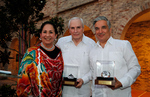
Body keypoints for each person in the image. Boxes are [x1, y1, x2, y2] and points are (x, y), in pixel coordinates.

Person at [89, 16, 141, 97]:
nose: (100, 31)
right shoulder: (92, 51)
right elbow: (93, 74)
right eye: (97, 29)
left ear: (110, 29)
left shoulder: (123, 45)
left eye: (103, 27)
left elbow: (135, 68)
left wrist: (121, 82)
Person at [16, 21, 64, 97]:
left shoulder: (60, 53)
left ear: (55, 36)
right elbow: (22, 79)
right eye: (45, 32)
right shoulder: (31, 53)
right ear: (40, 35)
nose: (47, 35)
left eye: (51, 32)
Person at [56, 17, 95, 97]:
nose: (75, 31)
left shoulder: (91, 44)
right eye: (72, 28)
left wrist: (84, 80)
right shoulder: (61, 42)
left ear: (83, 29)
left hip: (84, 93)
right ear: (69, 30)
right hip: (65, 93)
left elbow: (94, 68)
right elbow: (55, 62)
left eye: (78, 27)